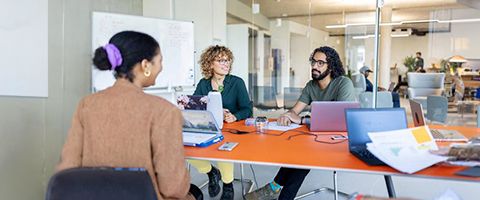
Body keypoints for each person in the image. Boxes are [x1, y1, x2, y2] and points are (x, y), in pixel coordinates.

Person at [56, 31, 201, 200]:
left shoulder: (87, 104)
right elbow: (173, 187)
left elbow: (67, 167)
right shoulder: (165, 111)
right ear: (145, 65)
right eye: (160, 61)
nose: (161, 67)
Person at [245, 46, 355, 200]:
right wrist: (287, 115)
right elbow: (295, 111)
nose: (315, 66)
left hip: (337, 139)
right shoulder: (311, 86)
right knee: (298, 153)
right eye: (313, 62)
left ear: (331, 67)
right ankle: (275, 189)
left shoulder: (343, 83)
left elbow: (343, 119)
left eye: (320, 63)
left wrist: (303, 120)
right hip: (315, 136)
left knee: (303, 159)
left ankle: (277, 190)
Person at [188, 45, 252, 200]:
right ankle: (211, 172)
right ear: (210, 64)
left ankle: (228, 185)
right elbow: (196, 106)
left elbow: (247, 109)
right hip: (210, 127)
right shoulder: (203, 83)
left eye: (228, 60)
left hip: (231, 129)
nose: (226, 63)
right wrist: (215, 111)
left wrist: (234, 116)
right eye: (221, 60)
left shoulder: (237, 82)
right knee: (186, 148)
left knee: (223, 149)